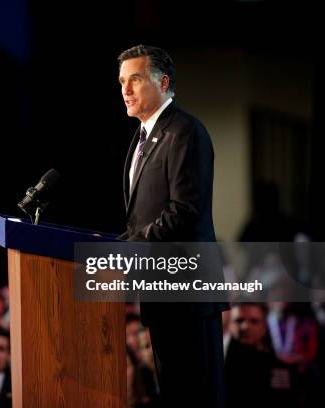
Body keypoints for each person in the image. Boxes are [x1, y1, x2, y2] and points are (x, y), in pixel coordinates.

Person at [117, 45, 227, 407]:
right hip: (163, 289)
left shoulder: (184, 132)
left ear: (162, 82)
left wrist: (130, 246)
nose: (125, 90)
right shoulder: (143, 138)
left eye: (135, 79)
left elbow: (185, 211)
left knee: (196, 395)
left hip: (188, 291)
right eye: (121, 82)